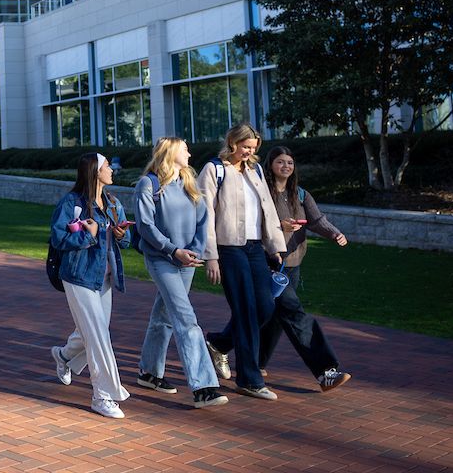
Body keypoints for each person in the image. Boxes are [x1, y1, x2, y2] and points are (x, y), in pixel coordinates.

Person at [133, 138, 229, 408]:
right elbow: (146, 226)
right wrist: (173, 250)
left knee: (164, 315)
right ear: (171, 152)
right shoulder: (148, 184)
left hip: (187, 261)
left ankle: (149, 372)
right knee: (186, 319)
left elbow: (202, 220)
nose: (190, 152)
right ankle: (204, 387)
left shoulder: (190, 183)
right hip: (162, 260)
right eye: (185, 148)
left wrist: (194, 252)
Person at [200, 123, 287, 400]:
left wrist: (275, 246)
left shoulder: (256, 170)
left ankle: (219, 342)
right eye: (246, 147)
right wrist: (211, 256)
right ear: (233, 143)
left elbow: (268, 210)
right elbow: (205, 216)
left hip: (255, 248)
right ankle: (249, 379)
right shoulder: (215, 169)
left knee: (265, 306)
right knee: (246, 311)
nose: (250, 152)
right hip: (229, 250)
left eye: (253, 148)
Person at [256, 146, 351, 391]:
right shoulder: (262, 193)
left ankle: (232, 350)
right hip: (270, 264)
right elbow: (255, 224)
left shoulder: (300, 195)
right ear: (270, 165)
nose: (286, 166)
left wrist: (334, 234)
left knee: (273, 317)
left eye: (290, 162)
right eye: (280, 162)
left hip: (293, 265)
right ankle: (325, 371)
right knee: (295, 314)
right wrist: (280, 227)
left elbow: (317, 220)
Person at [48, 153, 131, 419]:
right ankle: (103, 395)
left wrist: (121, 235)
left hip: (104, 278)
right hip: (78, 276)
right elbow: (59, 239)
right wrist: (88, 234)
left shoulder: (113, 204)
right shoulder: (71, 203)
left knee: (92, 332)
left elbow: (126, 241)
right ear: (95, 171)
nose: (112, 171)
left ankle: (63, 356)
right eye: (108, 167)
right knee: (98, 336)